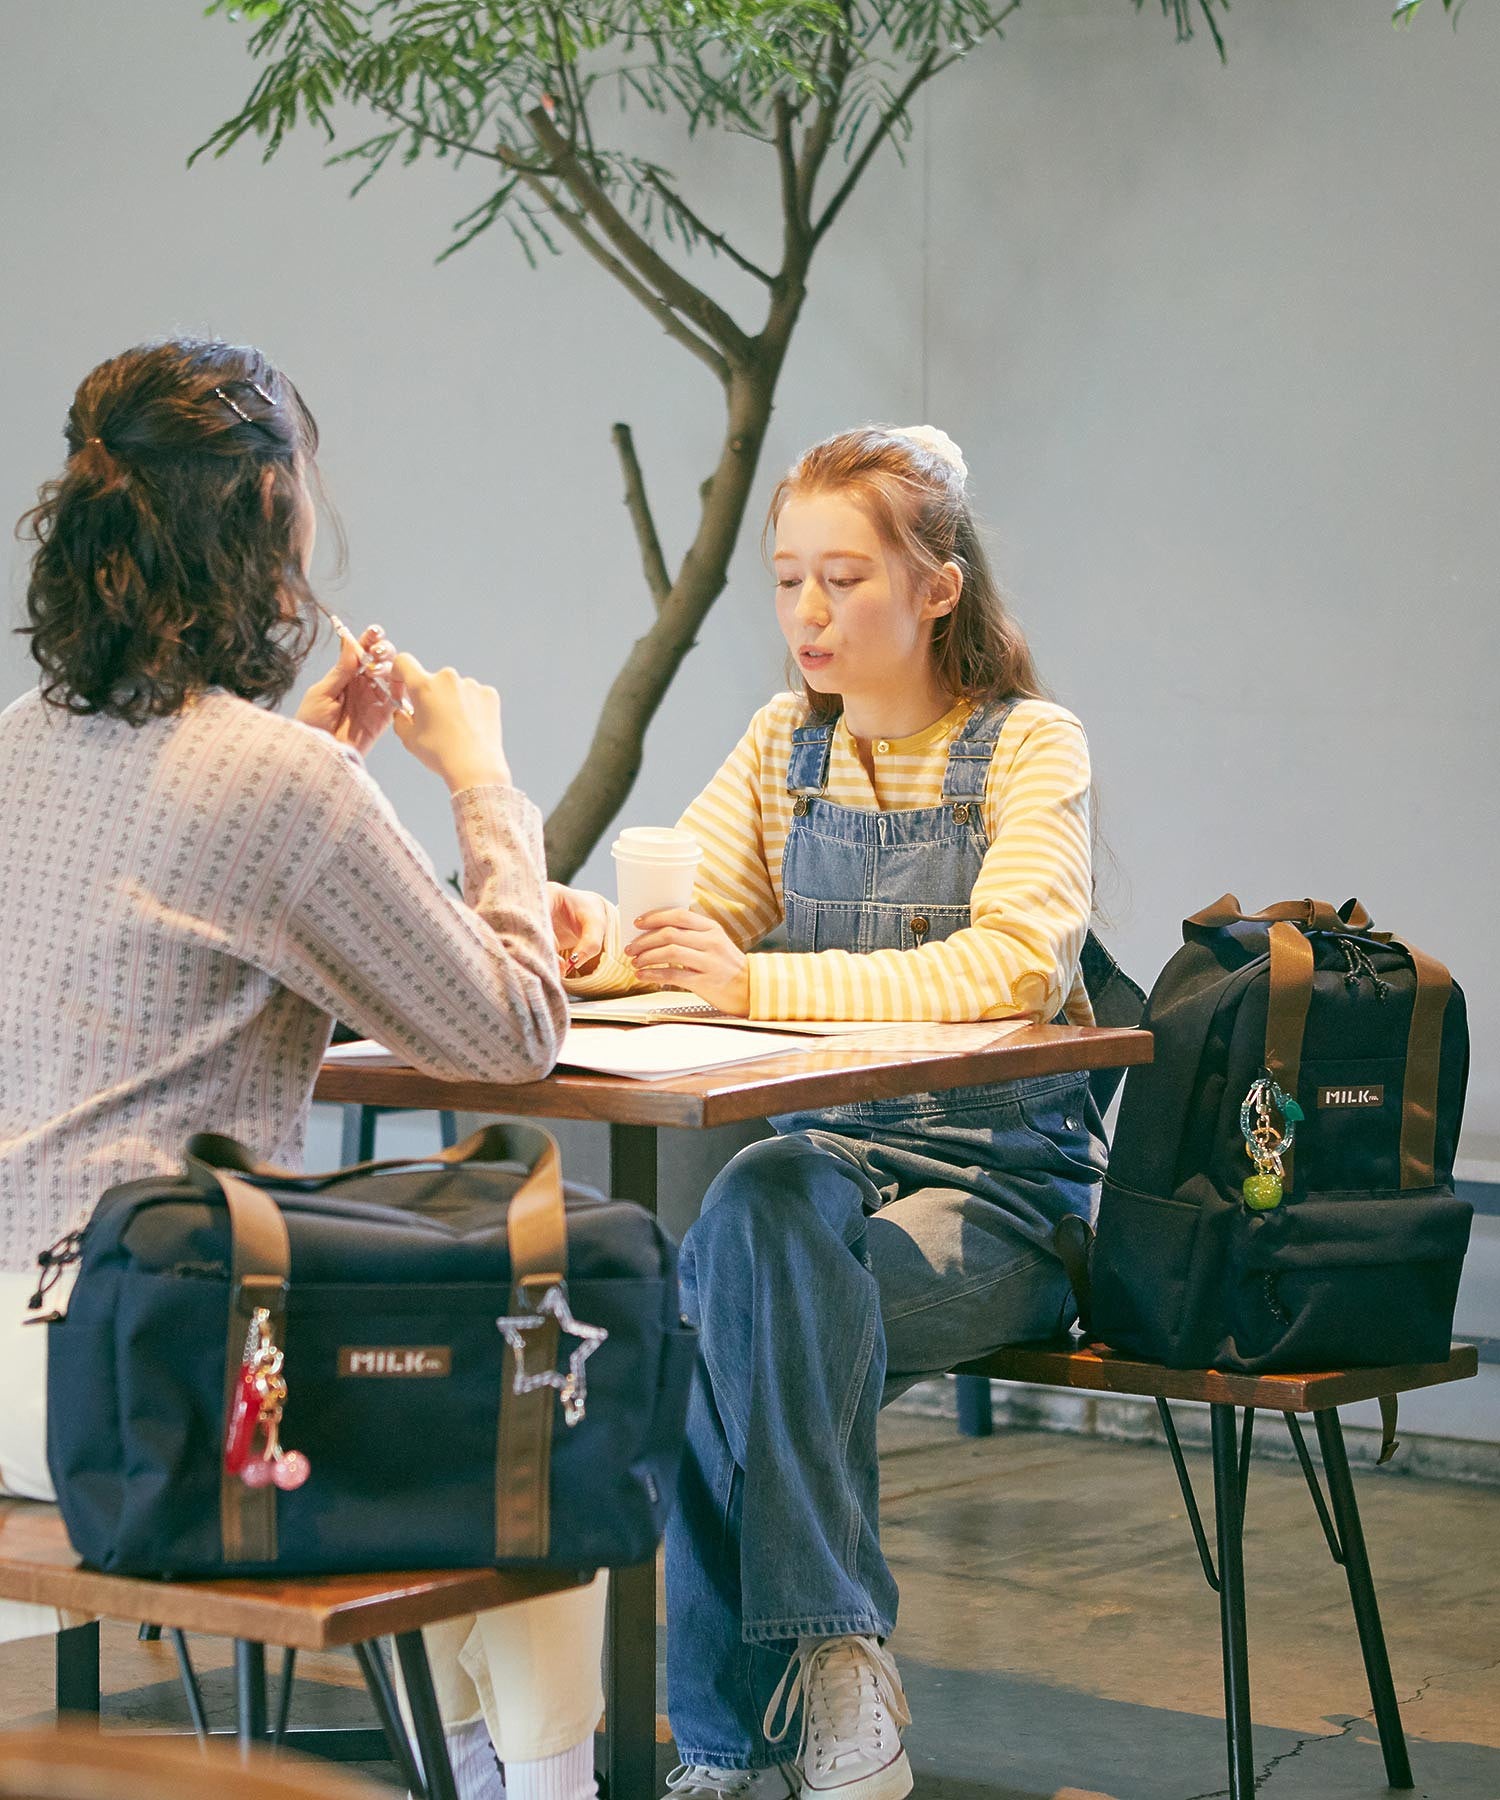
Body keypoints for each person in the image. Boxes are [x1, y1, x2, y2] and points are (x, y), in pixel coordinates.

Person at [0, 337, 602, 1800]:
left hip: (10, 1361)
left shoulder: (19, 744)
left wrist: (311, 761)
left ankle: (463, 1758)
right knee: (552, 1378)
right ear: (270, 518)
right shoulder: (280, 786)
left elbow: (172, 947)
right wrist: (480, 782)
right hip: (138, 1378)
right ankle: (540, 1784)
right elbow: (514, 1030)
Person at [549, 425, 1107, 1800]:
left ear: (937, 588)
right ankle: (840, 1659)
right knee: (756, 1219)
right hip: (824, 1181)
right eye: (789, 579)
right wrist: (593, 939)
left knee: (723, 1289)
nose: (807, 613)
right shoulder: (780, 749)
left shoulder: (1029, 747)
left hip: (1004, 1198)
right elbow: (696, 932)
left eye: (844, 579)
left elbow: (1016, 963)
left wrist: (760, 978)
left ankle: (738, 1734)